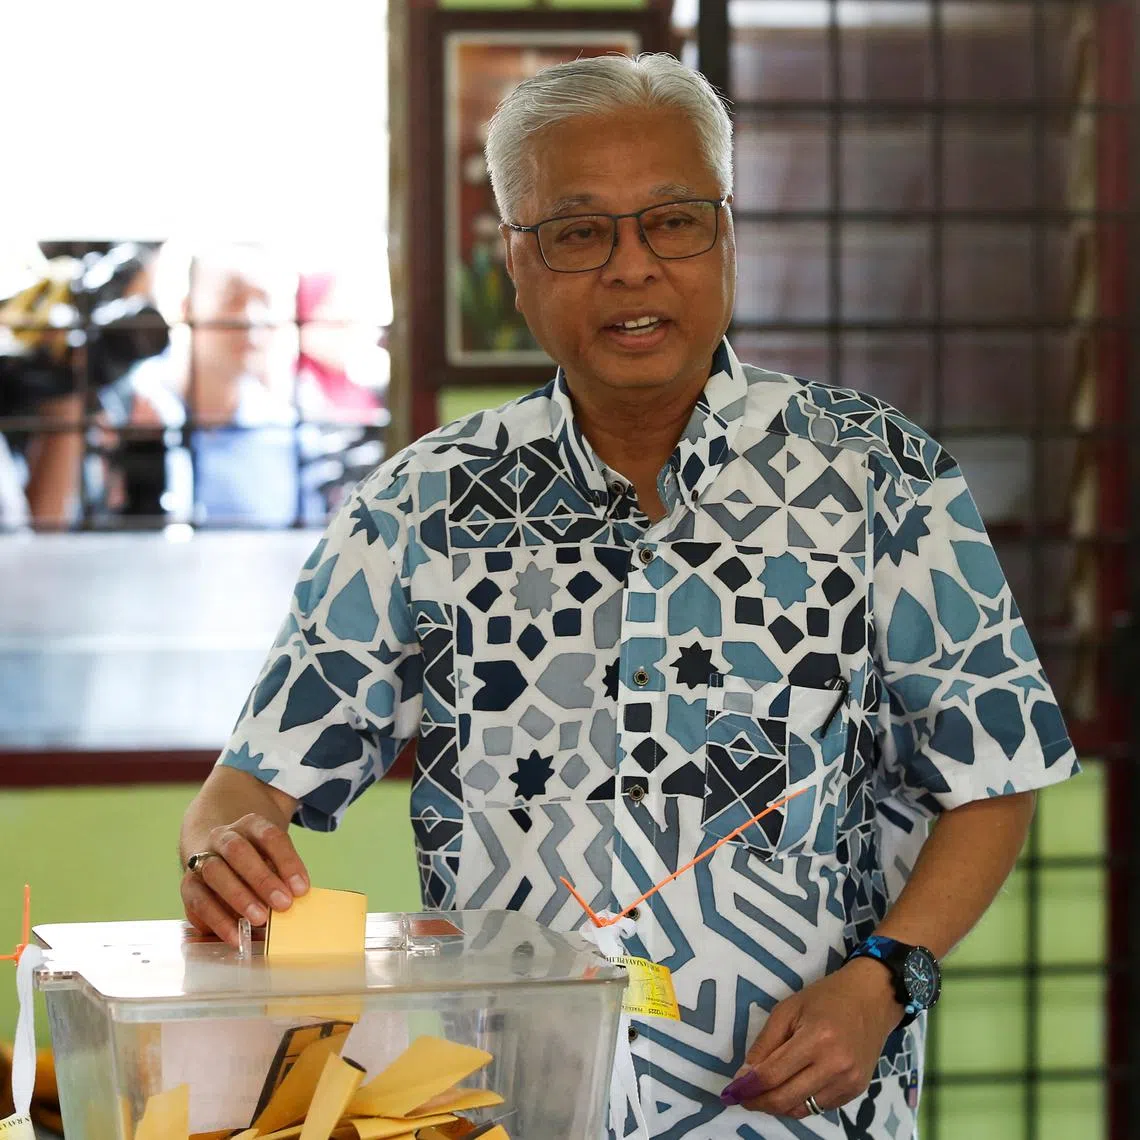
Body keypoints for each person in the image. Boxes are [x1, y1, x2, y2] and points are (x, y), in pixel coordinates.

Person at [179, 54, 1078, 1139]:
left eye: (673, 222)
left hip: (801, 1106)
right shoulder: (422, 507)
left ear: (729, 232)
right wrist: (221, 855)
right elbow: (247, 790)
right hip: (511, 1106)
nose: (632, 268)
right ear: (514, 259)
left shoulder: (878, 474)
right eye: (577, 231)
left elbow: (996, 772)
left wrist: (888, 976)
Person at [103, 242, 324, 526]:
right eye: (233, 298)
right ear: (186, 308)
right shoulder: (122, 407)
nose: (251, 319)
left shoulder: (288, 433)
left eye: (265, 301)